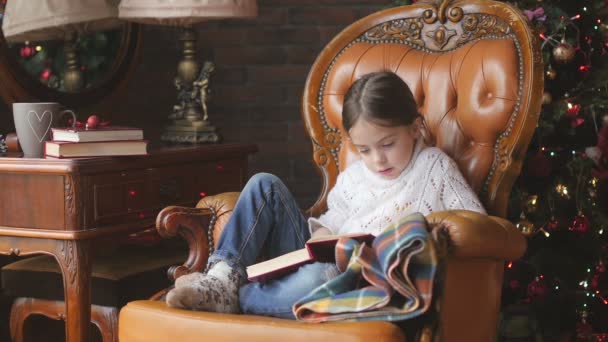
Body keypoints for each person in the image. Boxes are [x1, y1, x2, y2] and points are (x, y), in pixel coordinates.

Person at [165, 71, 486, 319]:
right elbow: (332, 222)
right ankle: (223, 280)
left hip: (365, 278)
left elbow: (476, 222)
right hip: (324, 259)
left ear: (415, 128)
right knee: (265, 184)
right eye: (364, 150)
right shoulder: (353, 177)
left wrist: (430, 234)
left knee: (321, 275)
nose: (378, 160)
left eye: (387, 144)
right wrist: (324, 235)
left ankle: (241, 297)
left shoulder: (434, 167)